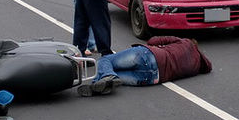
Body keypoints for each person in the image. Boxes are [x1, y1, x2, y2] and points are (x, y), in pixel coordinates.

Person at [77, 36, 212, 96]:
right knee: (114, 75)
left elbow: (153, 40)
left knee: (105, 60)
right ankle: (99, 84)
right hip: (152, 78)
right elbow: (208, 67)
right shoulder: (197, 67)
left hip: (149, 56)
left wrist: (161, 44)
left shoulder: (185, 42)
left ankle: (105, 77)